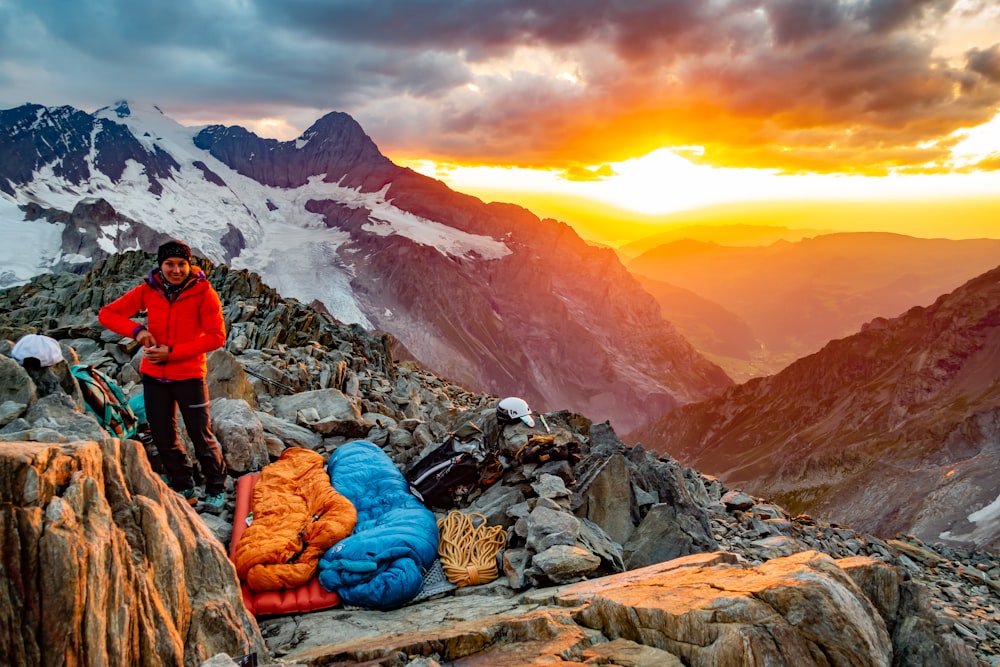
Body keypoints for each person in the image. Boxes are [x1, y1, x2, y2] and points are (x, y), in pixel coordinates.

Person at [98, 240, 229, 514]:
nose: (176, 269)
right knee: (162, 434)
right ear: (160, 265)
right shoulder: (150, 289)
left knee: (199, 434)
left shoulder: (204, 293)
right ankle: (184, 486)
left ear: (190, 264)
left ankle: (216, 488)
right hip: (154, 376)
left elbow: (217, 337)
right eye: (170, 264)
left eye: (182, 264)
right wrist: (137, 331)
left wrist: (172, 353)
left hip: (190, 375)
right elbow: (107, 314)